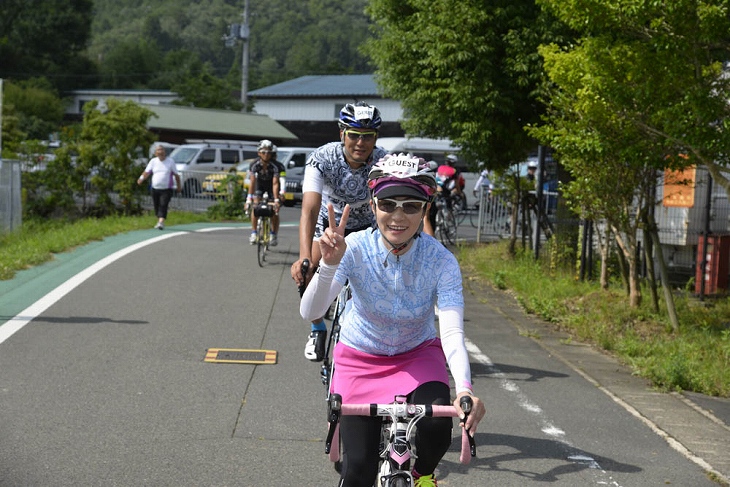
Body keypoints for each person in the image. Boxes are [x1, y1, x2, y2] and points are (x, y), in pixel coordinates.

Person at [300, 154, 486, 487]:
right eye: (388, 203)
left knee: (437, 432)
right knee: (357, 469)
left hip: (417, 355)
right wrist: (327, 266)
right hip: (359, 357)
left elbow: (453, 331)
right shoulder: (353, 247)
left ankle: (422, 476)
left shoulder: (441, 261)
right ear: (373, 206)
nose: (398, 216)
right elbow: (311, 312)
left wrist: (465, 390)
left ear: (425, 209)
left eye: (411, 206)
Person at [290, 102, 387, 362]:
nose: (360, 142)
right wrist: (303, 257)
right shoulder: (322, 158)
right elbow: (309, 209)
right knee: (309, 272)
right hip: (329, 226)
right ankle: (317, 328)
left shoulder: (383, 161)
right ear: (342, 134)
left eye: (368, 136)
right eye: (354, 135)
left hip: (367, 227)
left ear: (375, 138)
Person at [137, 144, 181, 230]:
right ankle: (159, 221)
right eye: (158, 150)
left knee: (163, 204)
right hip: (155, 188)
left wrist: (179, 186)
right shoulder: (153, 161)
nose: (160, 152)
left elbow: (176, 175)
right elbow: (147, 172)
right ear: (156, 153)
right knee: (157, 206)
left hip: (166, 189)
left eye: (162, 150)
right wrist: (141, 179)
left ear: (165, 152)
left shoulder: (170, 161)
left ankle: (161, 222)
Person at [245, 140, 281, 246]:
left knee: (274, 210)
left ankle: (273, 234)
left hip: (271, 188)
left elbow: (275, 183)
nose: (266, 155)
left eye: (269, 152)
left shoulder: (275, 166)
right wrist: (249, 199)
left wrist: (276, 200)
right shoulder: (254, 164)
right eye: (264, 152)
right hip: (259, 186)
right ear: (259, 153)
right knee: (255, 207)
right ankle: (254, 232)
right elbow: (252, 182)